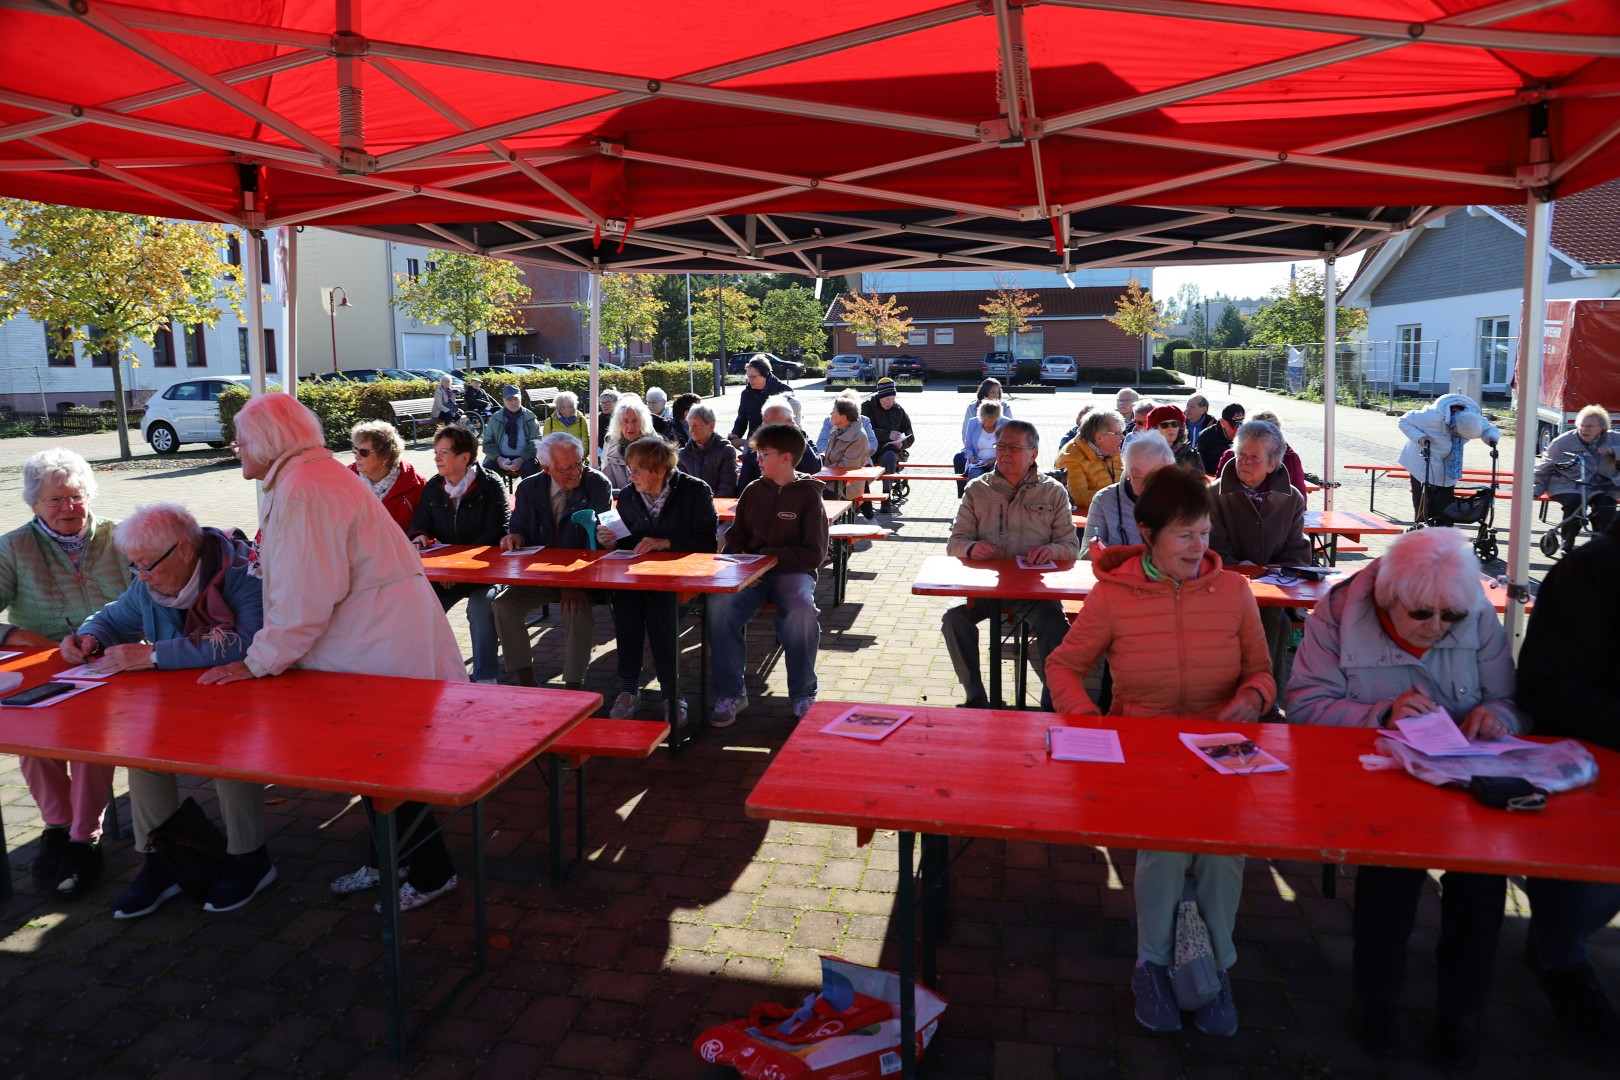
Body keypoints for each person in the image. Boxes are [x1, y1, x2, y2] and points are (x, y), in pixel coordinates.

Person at [199, 393, 466, 913]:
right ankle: (388, 858)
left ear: (269, 442)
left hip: (374, 648)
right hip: (370, 641)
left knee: (389, 763)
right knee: (374, 762)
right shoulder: (306, 477)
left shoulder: (305, 488)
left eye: (242, 439)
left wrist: (258, 661)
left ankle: (432, 871)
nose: (235, 448)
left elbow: (305, 598)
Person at [1046, 466, 1274, 1039]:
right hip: (1143, 754)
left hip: (1219, 752)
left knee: (1225, 853)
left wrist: (1252, 698)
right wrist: (1086, 722)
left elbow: (1263, 673)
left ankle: (1216, 969)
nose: (1199, 548)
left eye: (1204, 534)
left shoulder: (1234, 591)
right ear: (1147, 533)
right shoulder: (1113, 594)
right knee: (1168, 850)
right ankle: (1151, 964)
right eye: (1184, 535)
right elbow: (1064, 666)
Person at [1285, 527, 1527, 1067]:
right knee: (1388, 877)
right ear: (1387, 598)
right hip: (1377, 781)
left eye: (1451, 618)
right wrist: (1379, 715)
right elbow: (1302, 705)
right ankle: (1376, 997)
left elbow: (1510, 701)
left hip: (1462, 777)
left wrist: (1499, 717)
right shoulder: (1339, 611)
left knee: (1483, 878)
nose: (1437, 629)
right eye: (1422, 615)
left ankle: (1462, 1008)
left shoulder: (1469, 606)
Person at [60, 504, 272, 918]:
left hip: (245, 697)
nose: (141, 576)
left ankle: (251, 858)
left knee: (232, 754)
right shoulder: (150, 582)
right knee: (144, 755)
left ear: (184, 550)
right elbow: (115, 617)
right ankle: (163, 858)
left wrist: (153, 655)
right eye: (134, 566)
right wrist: (89, 637)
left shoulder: (243, 573)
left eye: (147, 566)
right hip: (182, 700)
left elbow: (247, 642)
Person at [0, 449, 128, 899]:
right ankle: (57, 826)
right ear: (34, 504)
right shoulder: (13, 547)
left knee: (91, 738)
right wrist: (13, 633)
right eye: (55, 500)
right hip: (45, 666)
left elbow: (156, 598)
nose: (68, 508)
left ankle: (83, 838)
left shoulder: (119, 536)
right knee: (32, 737)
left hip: (113, 663)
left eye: (76, 497)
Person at [1513, 512, 1620, 1038]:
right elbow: (1547, 685)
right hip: (1584, 766)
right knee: (1583, 888)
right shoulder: (1592, 571)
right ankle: (1560, 953)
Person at [943, 419, 1080, 710]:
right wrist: (971, 547)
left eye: (1013, 448)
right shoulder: (977, 489)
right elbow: (955, 542)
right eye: (1000, 446)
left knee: (1057, 627)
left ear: (1033, 453)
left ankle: (1051, 703)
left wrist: (1050, 550)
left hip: (1035, 592)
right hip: (986, 589)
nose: (1004, 454)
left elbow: (1071, 547)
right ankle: (976, 696)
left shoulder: (1053, 491)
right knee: (953, 620)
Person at [707, 423, 829, 727]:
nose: (757, 459)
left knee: (801, 611)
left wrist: (769, 557)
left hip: (792, 573)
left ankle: (803, 693)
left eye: (764, 454)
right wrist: (744, 559)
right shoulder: (753, 490)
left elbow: (813, 553)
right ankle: (731, 693)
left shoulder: (809, 496)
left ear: (786, 457)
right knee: (719, 607)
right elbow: (736, 537)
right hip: (752, 573)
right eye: (757, 453)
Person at [600, 437, 718, 725]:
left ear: (659, 470)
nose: (631, 476)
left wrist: (665, 542)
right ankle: (629, 689)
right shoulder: (628, 495)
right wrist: (610, 541)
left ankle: (671, 692)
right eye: (630, 469)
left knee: (660, 614)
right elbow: (628, 540)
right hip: (638, 578)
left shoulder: (694, 491)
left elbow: (707, 542)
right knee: (625, 610)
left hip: (679, 579)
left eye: (637, 470)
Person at [493, 432, 613, 689]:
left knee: (575, 607)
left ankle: (572, 687)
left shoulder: (597, 484)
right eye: (566, 468)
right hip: (541, 576)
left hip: (583, 577)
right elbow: (519, 526)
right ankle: (526, 680)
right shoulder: (529, 487)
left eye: (579, 463)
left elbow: (594, 545)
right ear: (546, 468)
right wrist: (514, 536)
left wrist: (575, 584)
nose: (576, 472)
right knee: (503, 605)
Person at [1209, 419, 1309, 692]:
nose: (1244, 462)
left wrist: (1279, 576)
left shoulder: (1292, 498)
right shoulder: (1213, 495)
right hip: (1221, 591)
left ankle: (1267, 697)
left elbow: (1296, 549)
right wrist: (1246, 571)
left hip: (1271, 595)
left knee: (1273, 621)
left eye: (1254, 457)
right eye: (1241, 455)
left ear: (1272, 463)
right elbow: (1212, 547)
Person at [409, 424, 510, 684]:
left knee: (480, 609)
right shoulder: (434, 486)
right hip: (445, 575)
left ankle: (486, 679)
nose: (436, 458)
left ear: (465, 457)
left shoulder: (490, 484)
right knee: (421, 608)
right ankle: (429, 674)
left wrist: (457, 568)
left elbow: (495, 532)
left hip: (484, 573)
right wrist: (419, 534)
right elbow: (420, 522)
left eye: (443, 452)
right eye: (435, 452)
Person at [1397, 392, 1500, 521]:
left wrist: (1492, 439)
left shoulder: (1473, 418)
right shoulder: (1431, 416)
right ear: (1455, 427)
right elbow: (1404, 421)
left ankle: (1443, 521)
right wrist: (1420, 438)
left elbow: (1488, 429)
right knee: (1422, 496)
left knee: (1445, 493)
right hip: (1421, 457)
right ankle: (1420, 522)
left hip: (1448, 460)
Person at [1532, 403, 1618, 552]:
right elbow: (1543, 468)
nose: (1584, 429)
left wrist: (1613, 450)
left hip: (1603, 485)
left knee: (1605, 508)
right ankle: (1567, 542)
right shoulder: (1562, 442)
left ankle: (1598, 546)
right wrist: (1536, 487)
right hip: (1568, 483)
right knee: (1575, 502)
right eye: (1582, 425)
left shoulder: (1613, 438)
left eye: (1590, 426)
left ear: (1602, 428)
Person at [1083, 436, 1174, 557]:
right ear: (1127, 473)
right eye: (1141, 478)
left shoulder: (1182, 500)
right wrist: (1097, 552)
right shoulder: (1104, 500)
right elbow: (1084, 555)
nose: (1149, 485)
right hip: (1118, 573)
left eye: (1157, 478)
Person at [348, 420, 426, 533]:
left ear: (385, 457)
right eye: (355, 450)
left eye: (363, 452)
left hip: (402, 549)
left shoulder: (416, 485)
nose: (356, 456)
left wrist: (418, 534)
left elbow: (426, 523)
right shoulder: (344, 482)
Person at [1215, 410, 1308, 497]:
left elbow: (1300, 502)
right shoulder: (1232, 455)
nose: (1245, 461)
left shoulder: (1290, 457)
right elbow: (1219, 492)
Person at [738, 396, 820, 489]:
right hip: (762, 497)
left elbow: (813, 468)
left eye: (772, 422)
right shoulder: (755, 447)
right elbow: (744, 484)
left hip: (796, 495)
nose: (765, 426)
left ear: (789, 423)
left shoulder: (801, 441)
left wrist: (797, 434)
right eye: (764, 421)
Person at [1054, 406, 1124, 511]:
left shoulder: (1113, 451)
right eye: (1118, 433)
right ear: (1099, 437)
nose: (1122, 437)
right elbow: (1076, 495)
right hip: (1092, 518)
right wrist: (1117, 500)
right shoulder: (1071, 456)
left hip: (1117, 513)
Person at [862, 378, 914, 514]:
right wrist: (887, 435)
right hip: (869, 449)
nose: (890, 402)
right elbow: (864, 430)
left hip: (890, 450)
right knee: (860, 461)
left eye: (892, 398)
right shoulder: (867, 407)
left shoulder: (898, 410)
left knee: (889, 457)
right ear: (879, 396)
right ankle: (861, 500)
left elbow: (910, 433)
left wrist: (903, 444)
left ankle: (886, 498)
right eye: (886, 399)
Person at [728, 356, 798, 445]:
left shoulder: (785, 392)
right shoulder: (746, 394)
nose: (750, 380)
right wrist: (735, 434)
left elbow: (793, 428)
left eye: (753, 377)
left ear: (765, 374)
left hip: (779, 446)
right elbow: (741, 421)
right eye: (748, 376)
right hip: (752, 447)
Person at [480, 385, 541, 481]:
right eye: (509, 399)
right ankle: (497, 496)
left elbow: (536, 443)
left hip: (525, 457)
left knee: (532, 472)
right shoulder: (495, 418)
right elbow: (487, 443)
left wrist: (521, 460)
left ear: (520, 399)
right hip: (499, 457)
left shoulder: (530, 418)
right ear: (504, 400)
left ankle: (527, 496)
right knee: (487, 472)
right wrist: (498, 459)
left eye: (516, 399)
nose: (513, 402)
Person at [677, 403, 738, 497]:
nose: (691, 430)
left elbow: (727, 486)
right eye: (689, 425)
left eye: (696, 426)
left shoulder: (726, 451)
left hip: (718, 505)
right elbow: (681, 487)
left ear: (711, 426)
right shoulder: (683, 454)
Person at [821, 397, 872, 504]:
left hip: (847, 486)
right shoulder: (837, 429)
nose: (831, 413)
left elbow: (847, 467)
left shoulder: (859, 437)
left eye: (834, 411)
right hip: (831, 480)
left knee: (812, 497)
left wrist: (821, 473)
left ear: (843, 417)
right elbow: (829, 456)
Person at [601, 393, 657, 489]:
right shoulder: (610, 443)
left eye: (635, 421)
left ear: (642, 422)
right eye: (625, 421)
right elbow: (607, 482)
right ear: (619, 423)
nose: (630, 427)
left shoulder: (655, 444)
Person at [960, 399, 1007, 487]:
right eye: (983, 419)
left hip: (998, 461)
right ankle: (972, 499)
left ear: (997, 418)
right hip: (978, 462)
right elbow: (968, 446)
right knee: (975, 476)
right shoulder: (973, 422)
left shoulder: (1006, 423)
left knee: (997, 475)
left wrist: (995, 460)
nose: (986, 423)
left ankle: (997, 500)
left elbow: (1009, 448)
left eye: (990, 421)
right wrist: (971, 456)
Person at [1144, 403, 1204, 472]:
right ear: (1155, 429)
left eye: (1174, 424)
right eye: (1164, 425)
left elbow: (1201, 481)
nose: (1170, 428)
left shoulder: (1192, 455)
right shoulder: (1145, 454)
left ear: (1180, 427)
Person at [1196, 402, 1246, 474]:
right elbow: (1203, 469)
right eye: (1234, 425)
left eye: (1241, 423)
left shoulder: (1248, 435)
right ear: (1222, 423)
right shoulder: (1205, 437)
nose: (1238, 429)